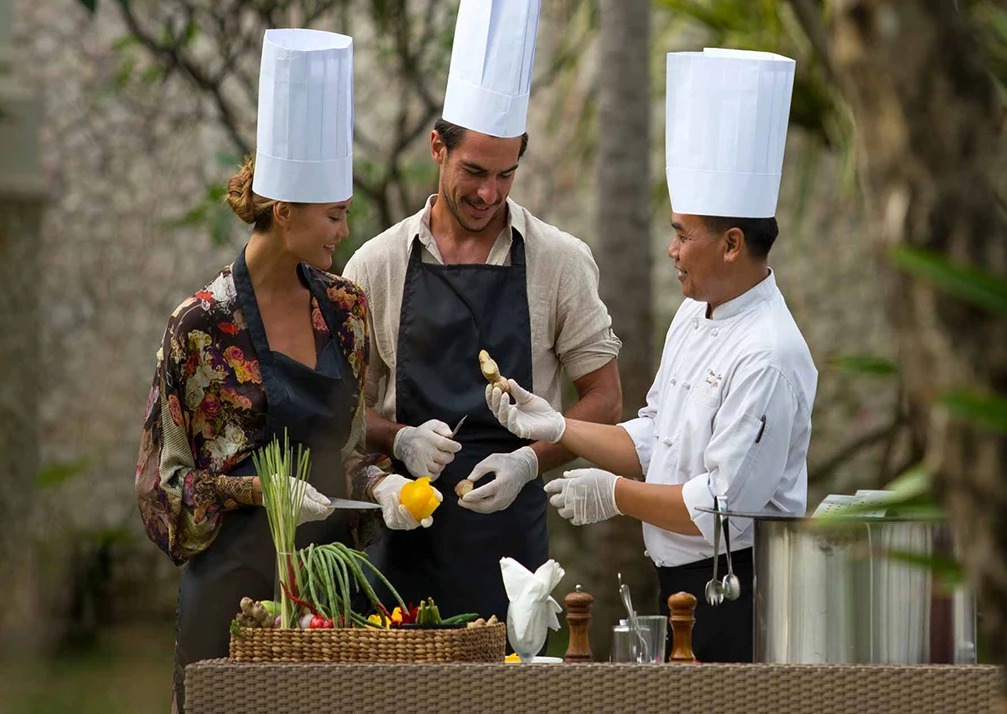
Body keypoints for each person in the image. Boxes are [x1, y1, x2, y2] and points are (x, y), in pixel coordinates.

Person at [482, 48, 816, 663]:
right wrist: (561, 427)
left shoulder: (767, 355)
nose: (672, 250)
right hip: (681, 583)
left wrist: (615, 495)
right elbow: (655, 435)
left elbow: (717, 507)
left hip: (739, 589)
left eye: (683, 233)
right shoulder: (696, 313)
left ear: (733, 244)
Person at [133, 30, 430, 712]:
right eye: (333, 216)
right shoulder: (201, 328)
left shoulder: (347, 312)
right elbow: (164, 490)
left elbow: (348, 456)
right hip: (233, 600)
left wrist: (385, 487)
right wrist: (259, 493)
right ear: (284, 210)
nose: (342, 233)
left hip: (331, 596)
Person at [342, 0, 623, 622]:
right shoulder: (376, 264)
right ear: (437, 147)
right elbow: (344, 411)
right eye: (473, 171)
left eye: (506, 174)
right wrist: (400, 440)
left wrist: (528, 462)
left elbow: (604, 399)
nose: (488, 194)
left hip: (511, 560)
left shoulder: (560, 261)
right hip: (401, 553)